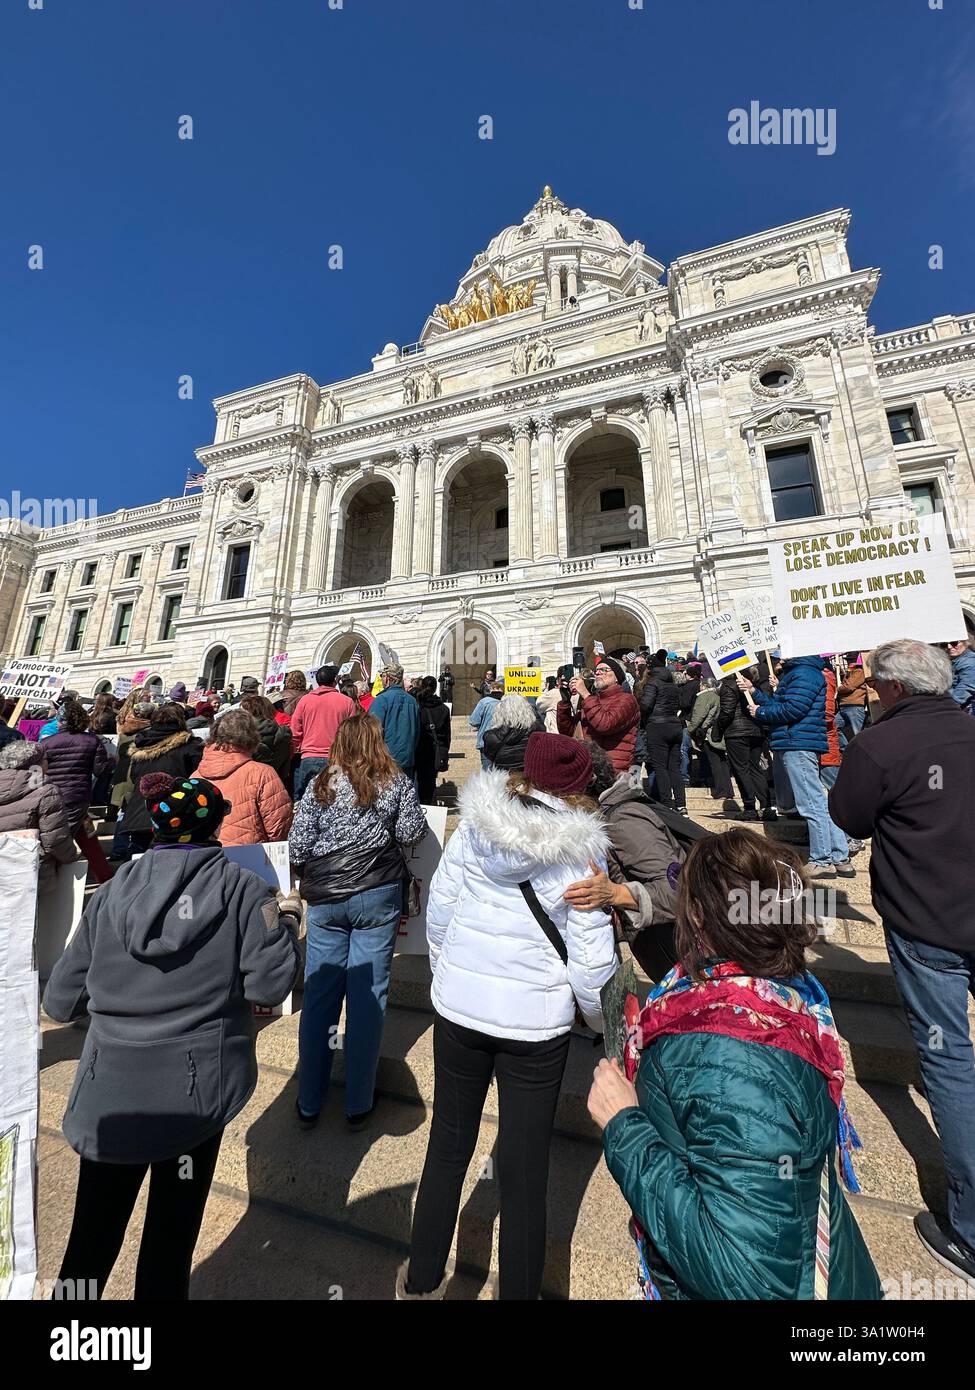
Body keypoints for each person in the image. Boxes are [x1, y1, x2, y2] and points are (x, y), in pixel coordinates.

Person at [588, 828, 882, 1301]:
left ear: (700, 917)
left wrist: (626, 1126)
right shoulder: (784, 996)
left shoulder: (730, 1053)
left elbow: (746, 1275)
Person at [43, 773, 301, 1301]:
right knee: (170, 1240)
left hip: (109, 1095)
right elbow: (270, 985)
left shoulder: (112, 892)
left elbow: (58, 1002)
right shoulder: (244, 891)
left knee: (89, 1241)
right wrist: (288, 926)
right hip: (194, 1094)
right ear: (216, 827)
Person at [399, 733, 617, 1301]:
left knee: (447, 1148)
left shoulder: (475, 829)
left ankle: (421, 1281)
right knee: (524, 1173)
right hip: (535, 1027)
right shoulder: (581, 855)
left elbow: (440, 915)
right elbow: (594, 969)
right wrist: (594, 1023)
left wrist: (450, 980)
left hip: (460, 1014)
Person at [828, 639, 975, 1282]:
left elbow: (849, 817)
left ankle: (970, 1232)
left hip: (929, 922)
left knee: (950, 1063)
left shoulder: (880, 745)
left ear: (888, 688)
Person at [289, 712, 428, 1129]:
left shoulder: (320, 784)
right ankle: (358, 1101)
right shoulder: (396, 782)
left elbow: (298, 845)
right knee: (368, 996)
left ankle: (310, 1099)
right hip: (377, 893)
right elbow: (411, 833)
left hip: (328, 897)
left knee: (320, 996)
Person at [563, 746, 686, 981]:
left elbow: (676, 890)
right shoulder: (607, 816)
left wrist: (616, 893)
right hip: (666, 956)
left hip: (683, 960)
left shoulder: (623, 820)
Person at [739, 656, 853, 878]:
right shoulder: (802, 672)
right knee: (817, 801)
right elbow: (783, 705)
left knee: (810, 803)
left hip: (798, 742)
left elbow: (793, 709)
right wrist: (754, 692)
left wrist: (760, 712)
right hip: (800, 740)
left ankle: (822, 859)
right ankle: (840, 857)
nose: (779, 657)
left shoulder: (803, 673)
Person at [39, 698, 115, 883]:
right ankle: (102, 877)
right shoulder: (91, 740)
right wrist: (113, 761)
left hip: (52, 796)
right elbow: (100, 770)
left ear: (60, 721)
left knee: (86, 835)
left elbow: (39, 771)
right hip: (78, 797)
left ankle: (104, 876)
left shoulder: (47, 743)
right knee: (64, 839)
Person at [198, 709, 293, 846]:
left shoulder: (195, 775)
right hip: (250, 857)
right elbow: (279, 827)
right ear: (251, 736)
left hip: (208, 858)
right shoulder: (262, 773)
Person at [120, 703, 205, 856]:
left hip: (140, 815)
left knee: (139, 867)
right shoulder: (190, 746)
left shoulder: (141, 746)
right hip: (173, 816)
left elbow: (133, 778)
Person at [0, 738, 77, 892]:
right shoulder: (46, 792)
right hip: (29, 872)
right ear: (37, 765)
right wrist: (71, 857)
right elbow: (54, 840)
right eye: (46, 759)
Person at [557, 655, 640, 776]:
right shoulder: (593, 700)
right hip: (590, 769)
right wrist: (565, 703)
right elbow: (568, 731)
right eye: (597, 670)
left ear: (617, 677)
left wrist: (585, 694)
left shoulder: (627, 700)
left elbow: (605, 725)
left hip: (614, 771)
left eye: (604, 670)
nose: (598, 673)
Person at [713, 670, 774, 821]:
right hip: (755, 730)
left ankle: (750, 807)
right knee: (755, 769)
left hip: (737, 732)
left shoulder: (729, 685)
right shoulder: (752, 684)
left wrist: (717, 730)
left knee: (741, 770)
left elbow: (727, 711)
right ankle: (766, 807)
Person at [290, 665, 357, 799]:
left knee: (304, 800)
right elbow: (352, 733)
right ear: (335, 681)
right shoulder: (347, 702)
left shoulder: (305, 701)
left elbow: (295, 730)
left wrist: (297, 749)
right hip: (335, 759)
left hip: (309, 758)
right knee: (332, 799)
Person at [636, 664, 687, 813]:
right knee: (674, 768)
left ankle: (666, 804)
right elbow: (682, 704)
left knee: (660, 767)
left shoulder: (653, 683)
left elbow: (645, 705)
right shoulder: (674, 686)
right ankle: (681, 804)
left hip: (657, 726)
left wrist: (644, 719)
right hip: (675, 726)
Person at [687, 676, 735, 806]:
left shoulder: (704, 696)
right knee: (722, 762)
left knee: (715, 763)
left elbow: (699, 715)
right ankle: (728, 791)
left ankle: (721, 791)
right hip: (718, 733)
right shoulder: (717, 696)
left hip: (708, 734)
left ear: (705, 686)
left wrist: (690, 729)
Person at [370, 663, 422, 779]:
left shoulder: (381, 700)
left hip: (385, 761)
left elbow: (371, 731)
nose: (381, 679)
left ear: (388, 678)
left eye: (382, 676)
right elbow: (417, 731)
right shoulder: (412, 701)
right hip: (407, 759)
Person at [481, 692, 542, 772]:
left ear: (499, 712)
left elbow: (490, 756)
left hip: (503, 778)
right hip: (529, 778)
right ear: (528, 710)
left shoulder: (491, 736)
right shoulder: (537, 731)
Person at [239, 694, 292, 783]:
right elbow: (285, 770)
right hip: (273, 782)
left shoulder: (241, 733)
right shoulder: (284, 733)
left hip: (243, 783)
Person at [415, 676, 452, 803]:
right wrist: (444, 749)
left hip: (419, 749)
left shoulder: (417, 706)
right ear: (436, 688)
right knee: (430, 783)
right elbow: (447, 735)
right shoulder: (444, 709)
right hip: (436, 750)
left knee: (418, 783)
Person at [468, 678, 504, 771]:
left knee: (487, 771)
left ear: (491, 689)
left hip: (485, 741)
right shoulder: (507, 702)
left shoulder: (484, 701)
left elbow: (474, 721)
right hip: (504, 741)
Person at [834, 652, 868, 747]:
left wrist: (838, 688)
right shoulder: (851, 672)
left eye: (850, 660)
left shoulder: (859, 672)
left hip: (854, 706)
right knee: (834, 727)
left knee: (858, 733)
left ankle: (861, 754)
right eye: (848, 661)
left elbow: (848, 687)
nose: (849, 663)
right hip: (847, 705)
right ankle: (846, 749)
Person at [943, 636, 975, 710]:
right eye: (944, 644)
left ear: (964, 642)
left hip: (964, 708)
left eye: (954, 643)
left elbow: (966, 688)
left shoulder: (969, 662)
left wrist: (949, 708)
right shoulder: (955, 660)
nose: (949, 647)